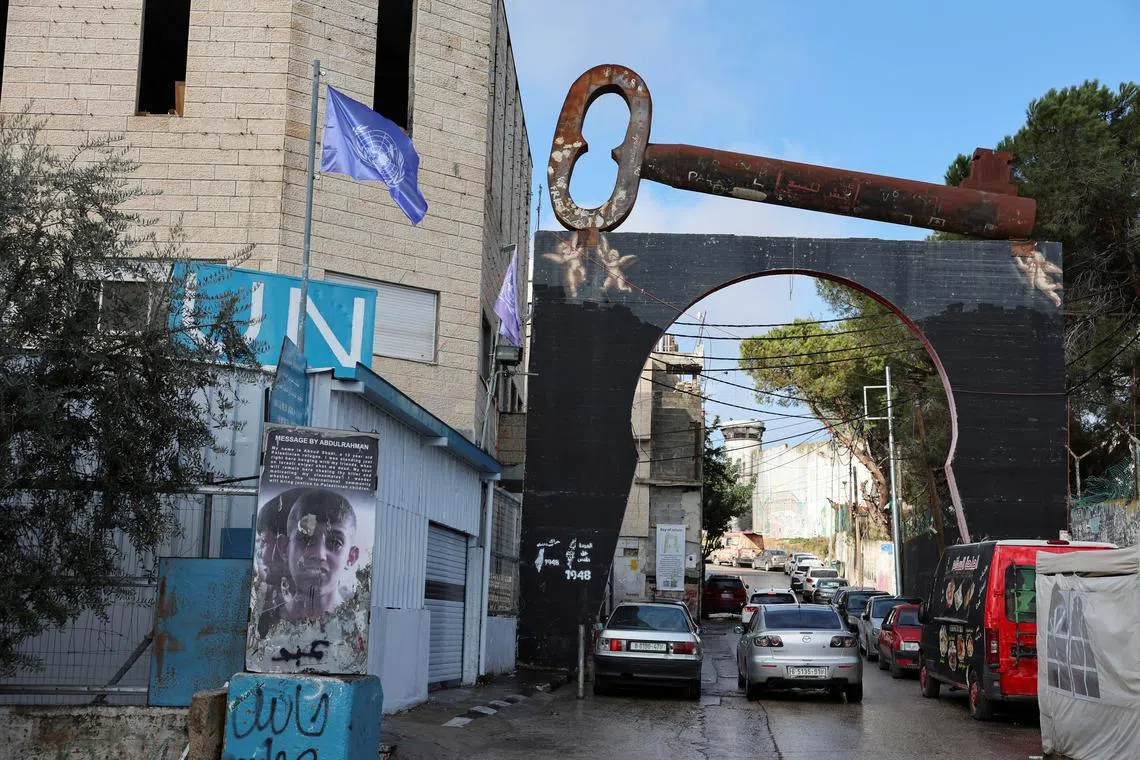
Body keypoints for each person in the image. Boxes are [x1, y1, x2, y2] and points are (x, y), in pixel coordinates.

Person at [279, 488, 361, 622]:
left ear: (351, 557)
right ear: (284, 548)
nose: (318, 554)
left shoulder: (357, 628)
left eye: (335, 543)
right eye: (305, 539)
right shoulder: (263, 626)